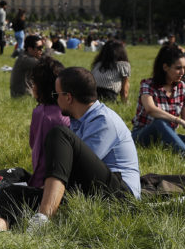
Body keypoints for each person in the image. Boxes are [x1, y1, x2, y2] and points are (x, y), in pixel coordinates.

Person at [22, 67, 141, 230]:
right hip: (95, 188)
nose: (55, 100)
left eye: (56, 95)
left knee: (59, 134)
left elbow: (74, 171)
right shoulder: (79, 121)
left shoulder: (103, 121)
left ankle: (44, 219)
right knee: (13, 192)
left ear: (68, 97)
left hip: (121, 196)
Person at [0, 58, 69, 231]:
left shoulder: (42, 113)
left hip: (46, 184)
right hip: (60, 183)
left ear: (39, 86)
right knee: (17, 174)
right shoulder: (67, 113)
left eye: (33, 83)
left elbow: (37, 150)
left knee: (8, 192)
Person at [131, 45, 185, 155]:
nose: (182, 72)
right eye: (178, 68)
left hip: (167, 135)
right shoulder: (148, 85)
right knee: (160, 123)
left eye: (184, 67)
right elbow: (151, 109)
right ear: (165, 67)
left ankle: (177, 147)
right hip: (142, 136)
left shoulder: (182, 88)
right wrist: (179, 121)